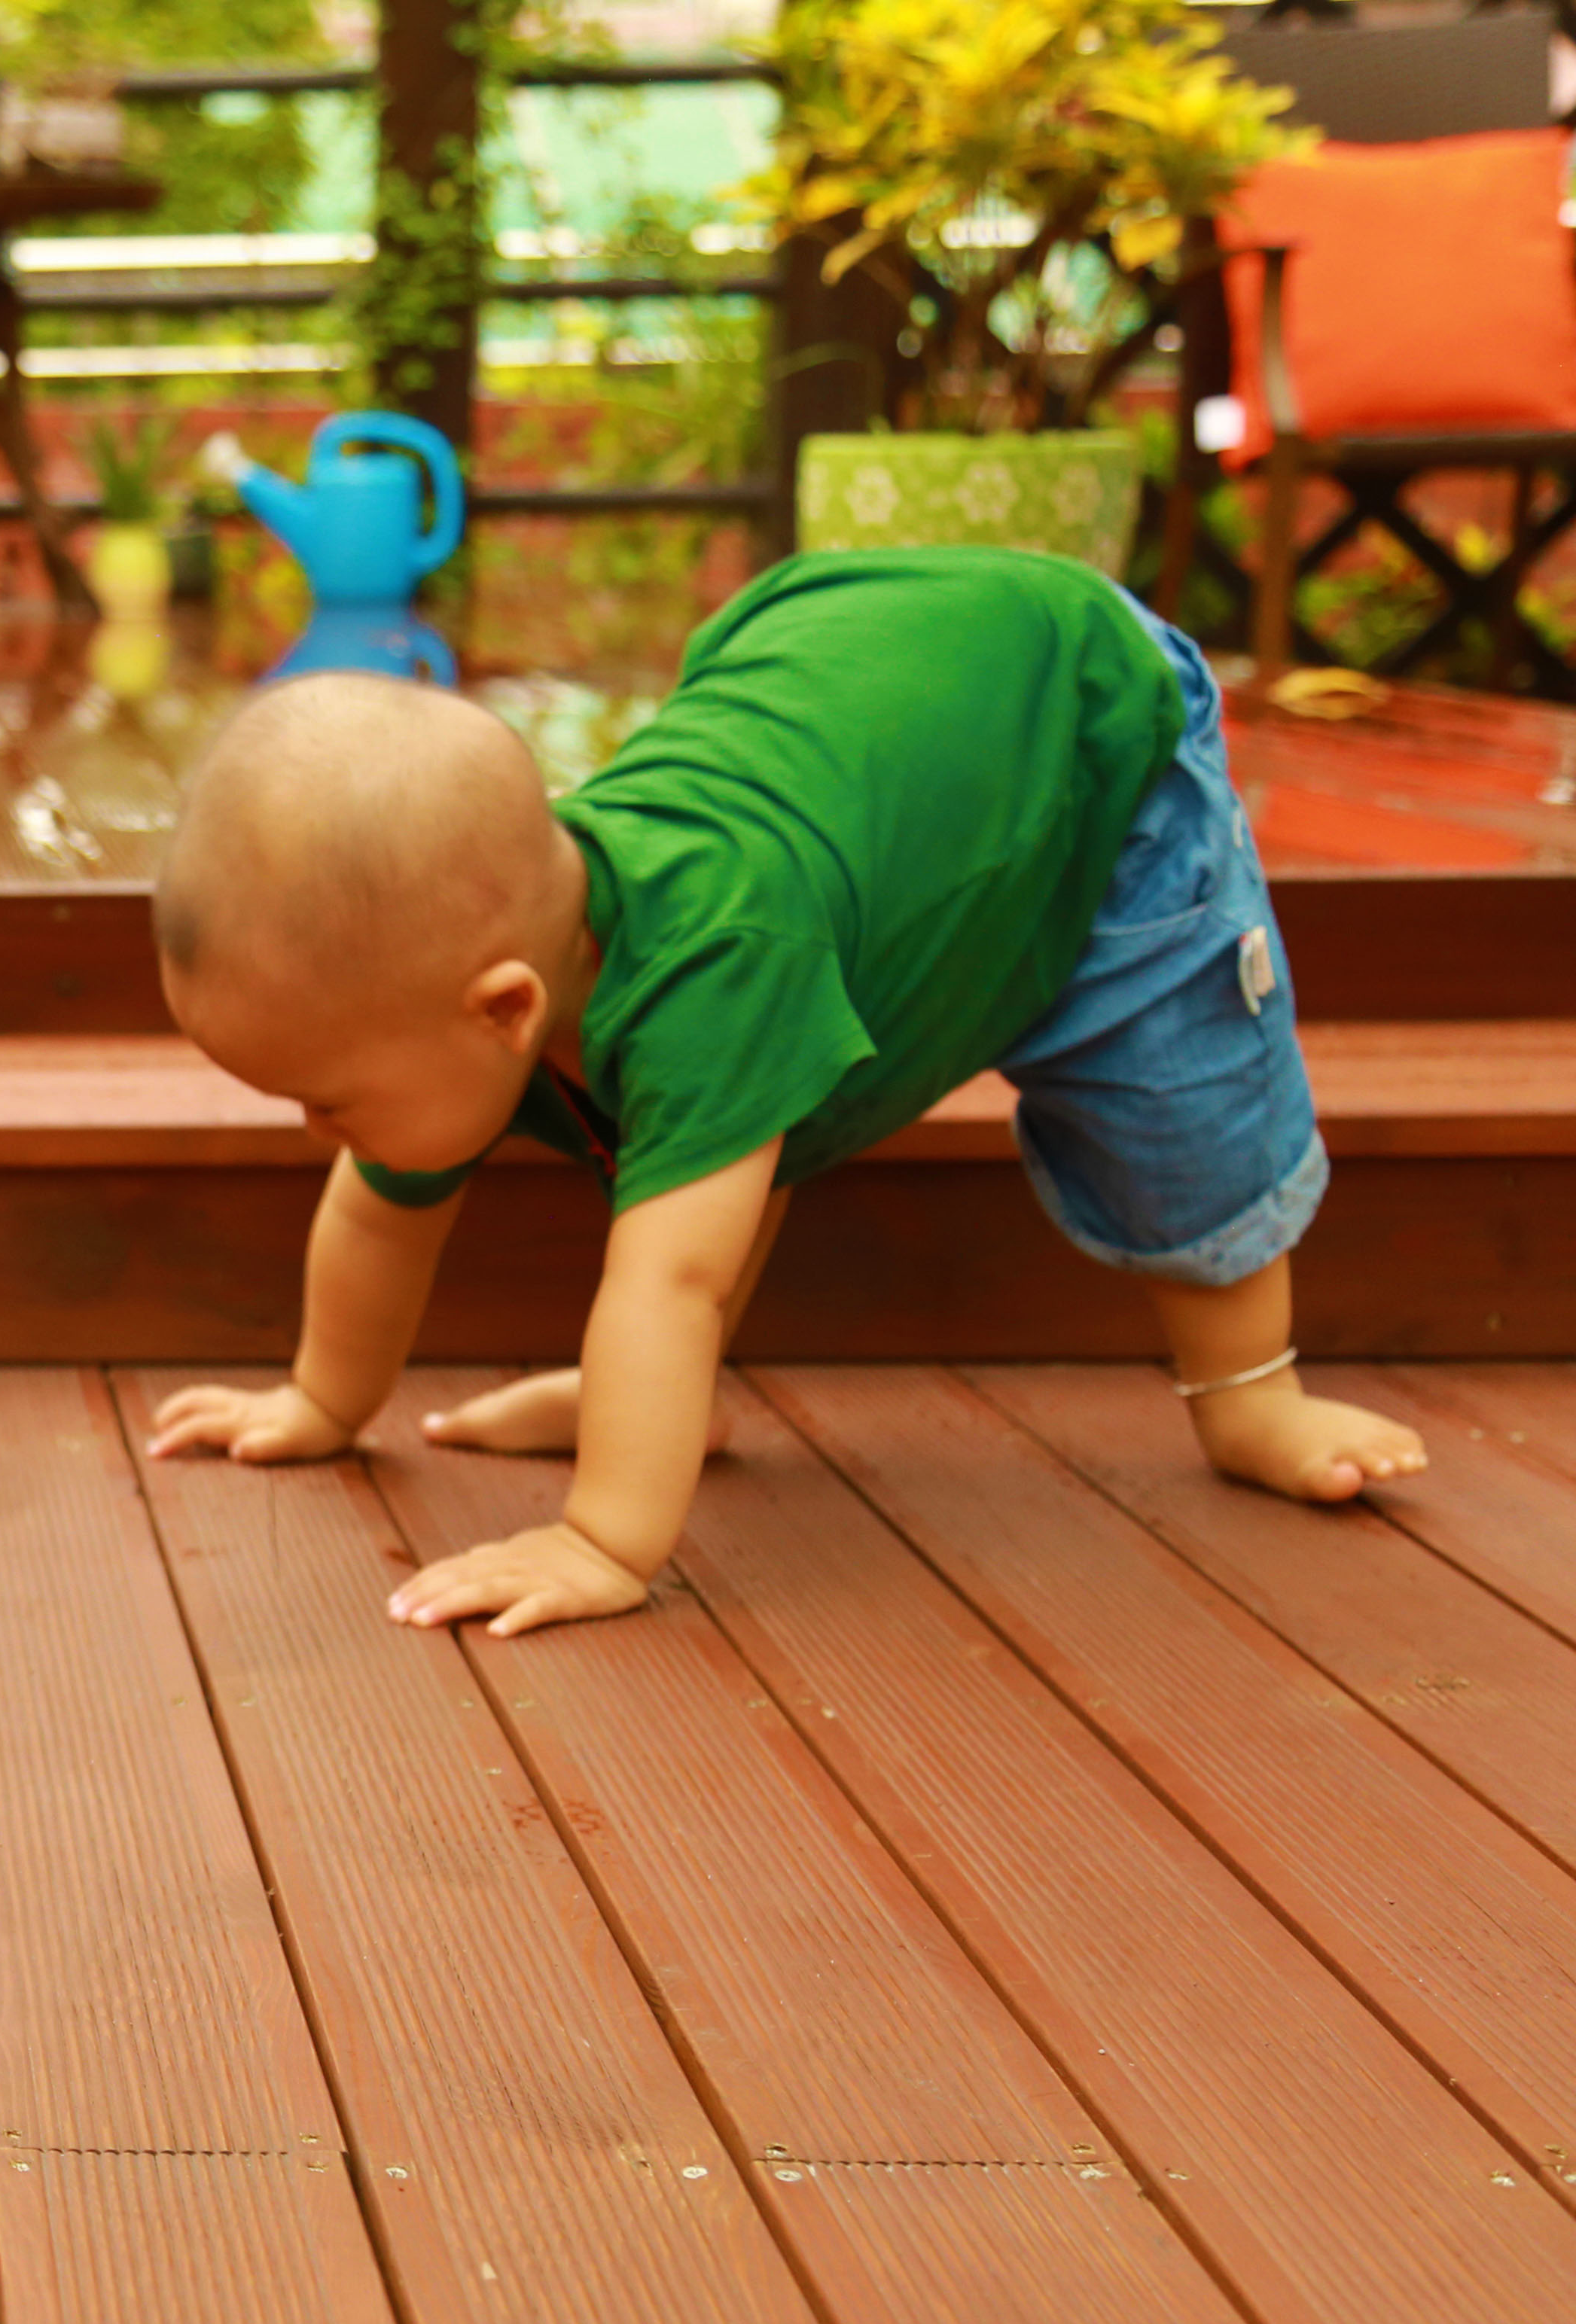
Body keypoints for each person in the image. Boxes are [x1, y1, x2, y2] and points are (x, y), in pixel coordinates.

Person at [143, 546, 1424, 1635]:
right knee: (709, 1143)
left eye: (331, 1100)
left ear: (507, 1011)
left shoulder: (717, 966)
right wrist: (323, 1401)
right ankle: (646, 1407)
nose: (322, 1132)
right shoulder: (475, 958)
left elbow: (676, 1279)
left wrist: (603, 1541)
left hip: (1073, 718)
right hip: (852, 666)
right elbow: (381, 1213)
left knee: (1173, 1091)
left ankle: (1253, 1392)